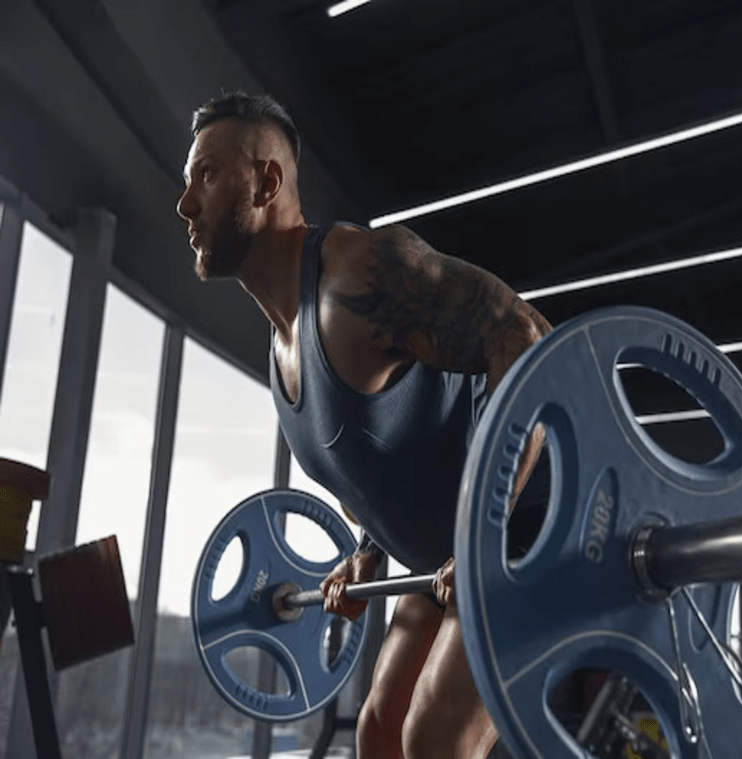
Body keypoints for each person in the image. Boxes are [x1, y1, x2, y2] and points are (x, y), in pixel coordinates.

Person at [176, 90, 551, 759]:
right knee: (378, 734)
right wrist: (366, 553)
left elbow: (521, 335)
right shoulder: (283, 352)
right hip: (447, 557)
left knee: (431, 740)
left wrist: (482, 532)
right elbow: (383, 466)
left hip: (531, 524)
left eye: (205, 176)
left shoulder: (357, 274)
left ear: (267, 181)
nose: (184, 205)